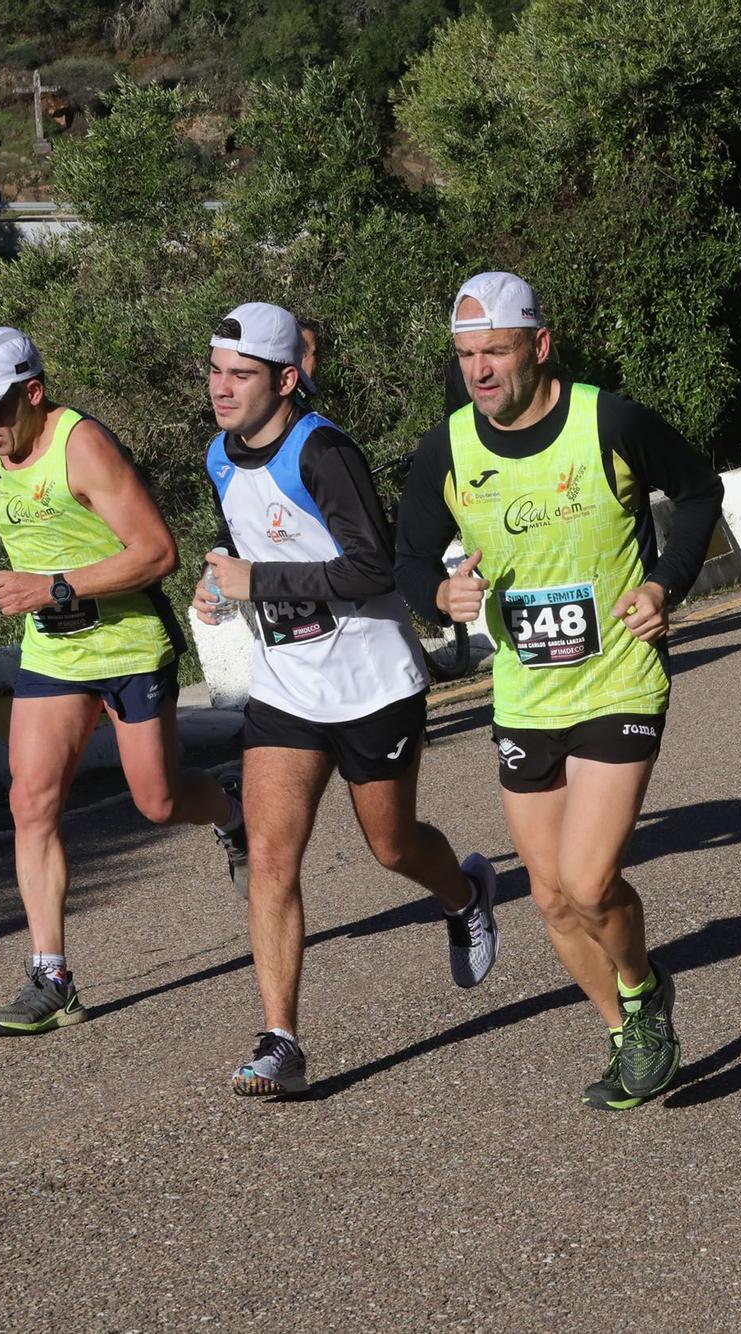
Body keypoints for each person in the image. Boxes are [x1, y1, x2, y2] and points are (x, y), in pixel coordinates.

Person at [394, 271, 724, 1111]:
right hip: (525, 696)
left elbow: (697, 490)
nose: (480, 372)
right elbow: (406, 561)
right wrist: (440, 597)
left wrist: (663, 586)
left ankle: (645, 990)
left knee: (585, 880)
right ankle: (625, 1029)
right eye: (467, 356)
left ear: (539, 346)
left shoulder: (605, 419)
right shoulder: (447, 450)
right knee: (546, 896)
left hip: (618, 678)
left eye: (495, 353)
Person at [0, 328, 242, 1037]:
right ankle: (51, 977)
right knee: (31, 800)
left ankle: (231, 814)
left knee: (158, 798)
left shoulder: (81, 447)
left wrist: (50, 586)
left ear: (33, 392)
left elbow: (157, 553)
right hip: (54, 656)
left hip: (129, 647)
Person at [193, 302, 498, 1097]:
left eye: (241, 375)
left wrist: (255, 580)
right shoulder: (219, 457)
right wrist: (219, 579)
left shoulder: (322, 450)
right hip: (287, 687)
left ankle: (465, 893)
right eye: (215, 372)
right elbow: (258, 540)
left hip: (370, 683)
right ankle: (280, 1040)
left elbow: (372, 568)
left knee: (391, 847)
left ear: (286, 379)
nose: (221, 389)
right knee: (270, 856)